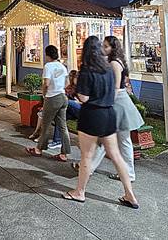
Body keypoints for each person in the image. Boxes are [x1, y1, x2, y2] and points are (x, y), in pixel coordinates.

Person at [63, 36, 138, 209]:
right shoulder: (109, 69)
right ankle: (130, 194)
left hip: (92, 115)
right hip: (109, 114)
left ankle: (80, 192)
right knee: (117, 156)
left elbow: (83, 97)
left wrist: (76, 93)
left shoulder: (86, 70)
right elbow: (114, 92)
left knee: (87, 156)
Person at [80, 36, 144, 183]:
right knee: (108, 141)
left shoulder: (114, 63)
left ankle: (127, 173)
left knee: (121, 141)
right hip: (117, 102)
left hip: (118, 103)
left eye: (106, 46)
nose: (103, 48)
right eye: (103, 46)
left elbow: (115, 88)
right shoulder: (115, 62)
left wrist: (105, 103)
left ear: (113, 48)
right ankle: (88, 168)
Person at [25, 45, 71, 162]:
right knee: (63, 126)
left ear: (47, 55)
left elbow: (46, 83)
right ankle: (64, 153)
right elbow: (67, 83)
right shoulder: (62, 66)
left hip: (52, 97)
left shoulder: (48, 66)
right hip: (62, 97)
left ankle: (39, 149)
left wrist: (45, 94)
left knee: (45, 124)